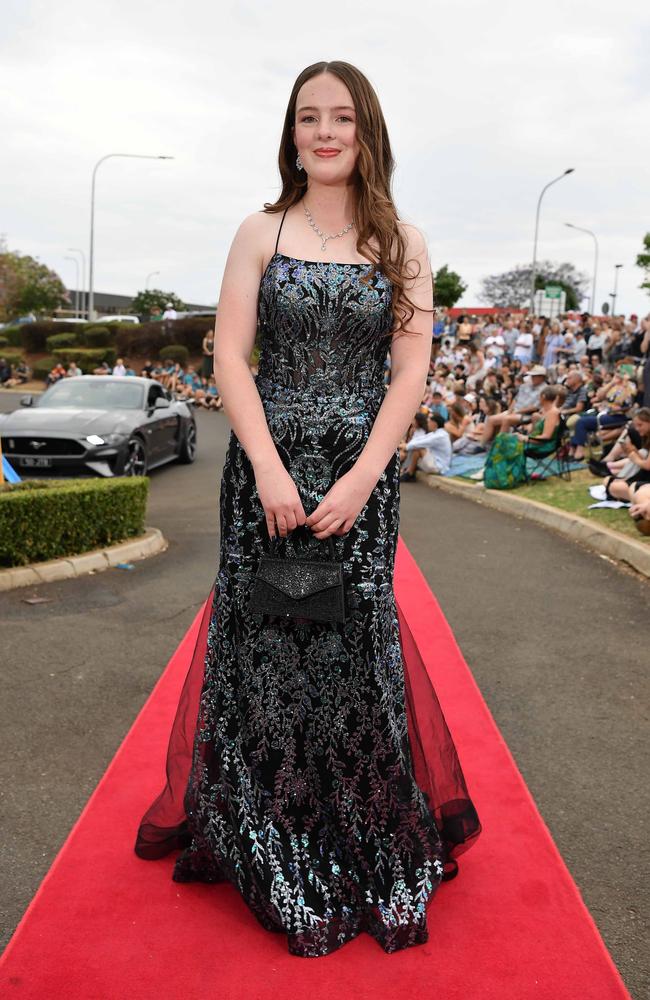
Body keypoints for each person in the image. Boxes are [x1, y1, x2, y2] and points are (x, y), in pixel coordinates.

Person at [133, 60, 481, 959]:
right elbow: (232, 362)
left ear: (368, 130)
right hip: (264, 477)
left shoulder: (405, 240)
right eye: (306, 118)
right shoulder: (259, 230)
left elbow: (410, 370)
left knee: (353, 640)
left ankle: (361, 821)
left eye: (341, 118)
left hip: (358, 479)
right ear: (291, 133)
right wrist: (267, 468)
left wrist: (368, 475)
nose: (324, 133)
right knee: (270, 648)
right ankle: (270, 827)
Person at [399, 411, 452, 478]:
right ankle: (408, 471)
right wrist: (406, 445)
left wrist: (406, 446)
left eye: (429, 422)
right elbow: (420, 439)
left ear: (434, 423)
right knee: (415, 447)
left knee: (419, 448)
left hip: (439, 467)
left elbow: (421, 443)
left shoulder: (440, 436)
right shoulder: (436, 433)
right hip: (435, 463)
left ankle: (409, 472)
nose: (428, 424)